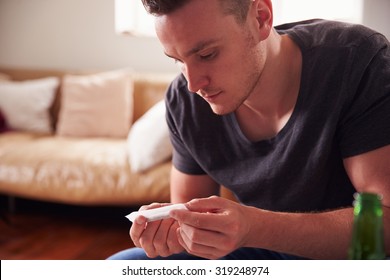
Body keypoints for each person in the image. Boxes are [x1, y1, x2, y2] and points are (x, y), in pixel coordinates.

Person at [108, 0, 390, 260]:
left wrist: (255, 227)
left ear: (261, 18)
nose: (193, 84)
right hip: (256, 253)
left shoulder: (356, 62)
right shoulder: (184, 102)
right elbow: (187, 224)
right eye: (178, 60)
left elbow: (386, 223)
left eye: (207, 54)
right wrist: (172, 230)